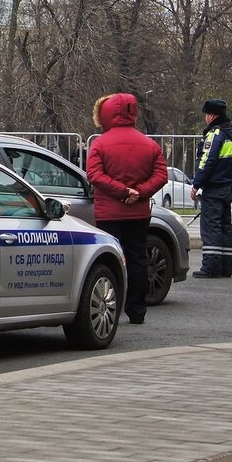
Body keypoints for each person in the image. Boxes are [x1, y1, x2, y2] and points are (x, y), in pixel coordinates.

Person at [85, 93, 168, 325]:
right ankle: (137, 309)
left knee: (110, 260)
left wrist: (123, 191)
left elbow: (94, 175)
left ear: (105, 114)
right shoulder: (149, 144)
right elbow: (161, 175)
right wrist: (139, 192)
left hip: (109, 213)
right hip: (138, 212)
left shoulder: (99, 143)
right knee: (138, 258)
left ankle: (111, 306)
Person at [190, 98, 232, 278]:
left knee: (211, 227)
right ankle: (225, 267)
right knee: (224, 227)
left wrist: (197, 184)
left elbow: (207, 160)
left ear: (211, 116)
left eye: (206, 115)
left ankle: (211, 267)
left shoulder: (215, 134)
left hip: (213, 187)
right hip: (227, 186)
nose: (205, 118)